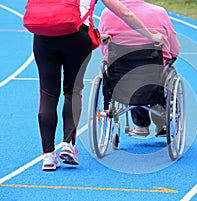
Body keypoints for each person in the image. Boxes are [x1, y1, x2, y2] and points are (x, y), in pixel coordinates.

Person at [35, 0, 163, 171]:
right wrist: (151, 36)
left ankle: (48, 156)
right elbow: (126, 13)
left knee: (48, 95)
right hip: (76, 36)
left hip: (43, 37)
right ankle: (68, 145)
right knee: (72, 91)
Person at [98, 0, 180, 136]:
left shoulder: (107, 13)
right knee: (162, 73)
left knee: (129, 73)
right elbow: (172, 43)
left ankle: (140, 124)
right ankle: (163, 122)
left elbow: (104, 48)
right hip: (154, 71)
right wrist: (172, 55)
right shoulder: (159, 12)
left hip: (121, 73)